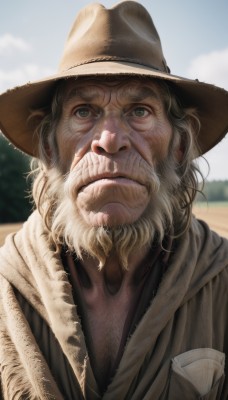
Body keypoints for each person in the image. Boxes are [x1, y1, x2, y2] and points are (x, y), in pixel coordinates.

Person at [0, 1, 228, 399]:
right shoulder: (6, 287)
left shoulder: (221, 281)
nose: (109, 139)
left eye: (139, 110)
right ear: (51, 149)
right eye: (83, 111)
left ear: (178, 148)